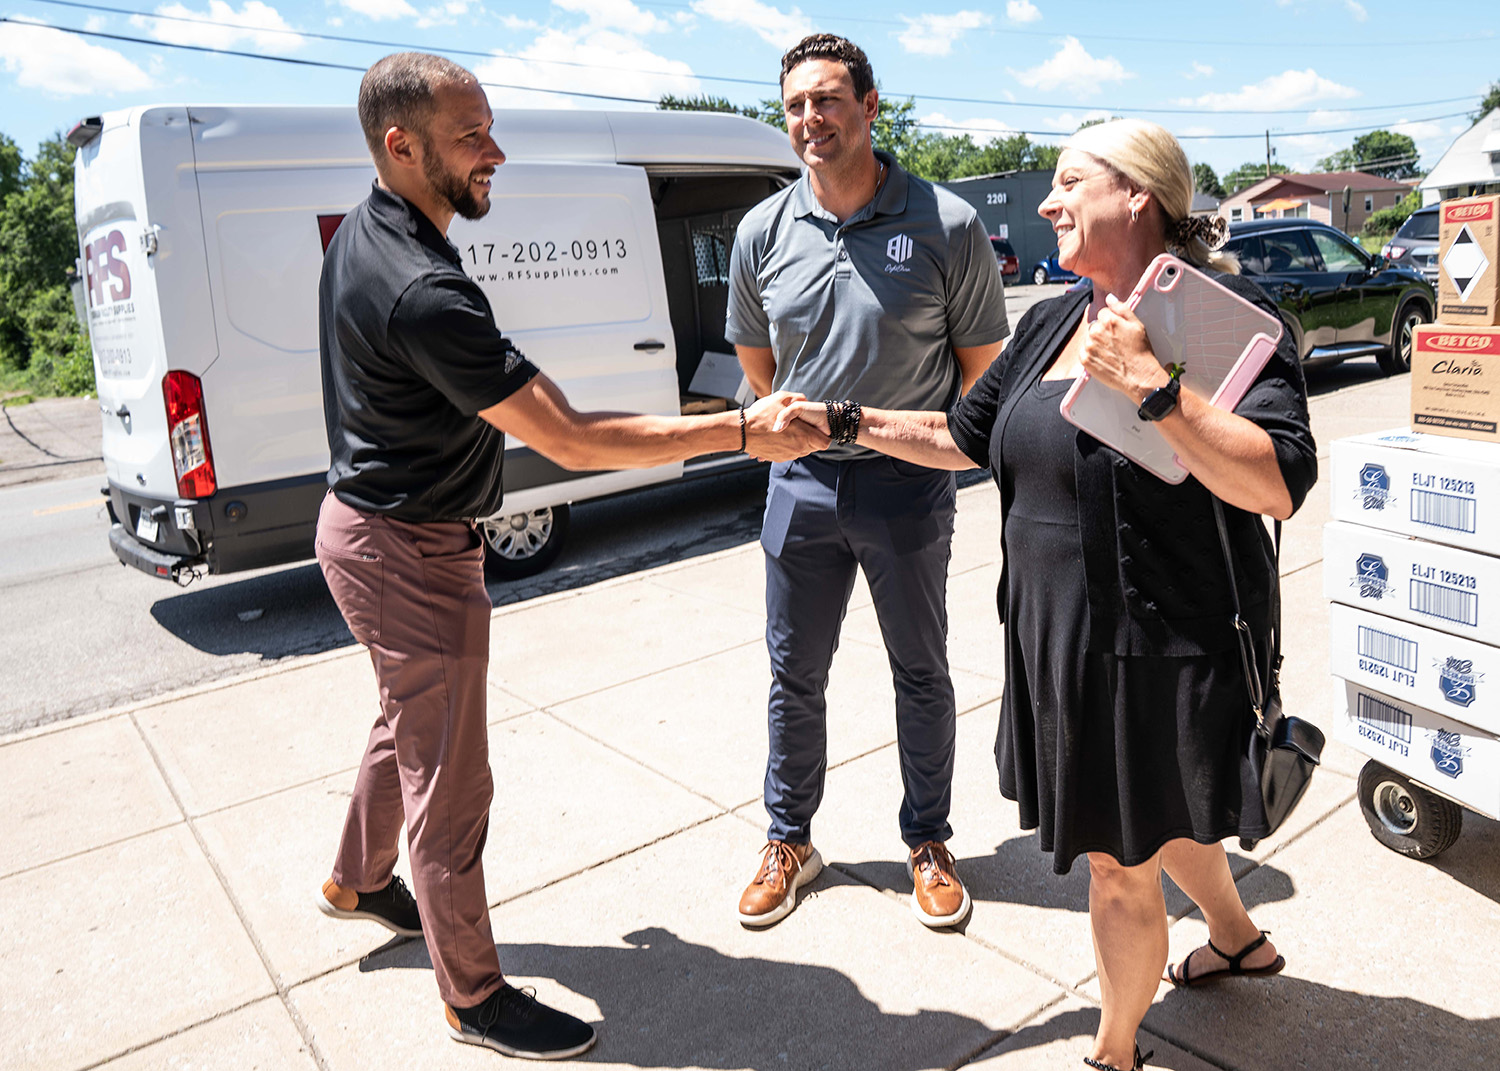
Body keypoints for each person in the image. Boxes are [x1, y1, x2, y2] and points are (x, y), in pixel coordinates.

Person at [771, 119, 1317, 1071]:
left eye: (1070, 182)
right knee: (1162, 814)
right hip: (1059, 635)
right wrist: (843, 420)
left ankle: (1113, 1053)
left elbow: (1276, 481)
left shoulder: (1228, 316)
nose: (1050, 201)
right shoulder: (1054, 320)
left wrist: (1160, 390)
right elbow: (962, 437)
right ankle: (1238, 938)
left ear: (1138, 197)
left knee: (1116, 859)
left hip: (1158, 643)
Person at [313, 52, 823, 1062]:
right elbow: (575, 440)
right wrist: (737, 435)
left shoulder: (372, 228)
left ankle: (357, 881)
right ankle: (473, 998)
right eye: (472, 136)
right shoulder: (422, 287)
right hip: (408, 553)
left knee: (404, 722)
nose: (494, 150)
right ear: (401, 145)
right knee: (449, 784)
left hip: (378, 532)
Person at [725, 33, 1009, 930]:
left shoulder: (947, 224)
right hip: (800, 488)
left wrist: (905, 444)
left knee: (919, 671)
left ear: (870, 105)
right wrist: (795, 433)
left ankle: (927, 838)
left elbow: (982, 381)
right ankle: (790, 839)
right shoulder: (762, 231)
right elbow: (755, 359)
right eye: (797, 102)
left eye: (829, 99)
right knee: (792, 673)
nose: (811, 117)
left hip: (907, 489)